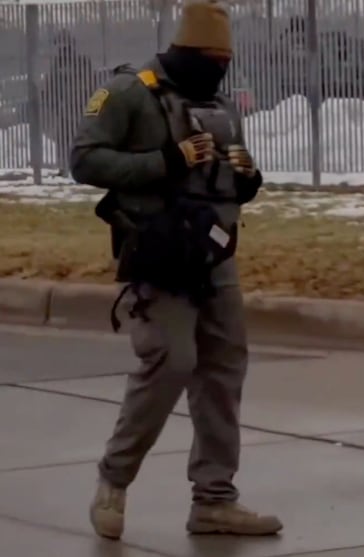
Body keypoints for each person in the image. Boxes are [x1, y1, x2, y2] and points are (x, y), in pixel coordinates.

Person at [69, 0, 282, 540]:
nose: (218, 71)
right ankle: (113, 480)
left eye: (224, 62)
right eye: (210, 60)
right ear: (185, 52)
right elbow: (85, 159)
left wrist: (247, 179)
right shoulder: (128, 92)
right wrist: (166, 160)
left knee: (224, 366)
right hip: (158, 252)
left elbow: (228, 174)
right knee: (170, 360)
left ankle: (215, 498)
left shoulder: (218, 103)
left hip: (214, 253)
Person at [41, 29, 96, 177]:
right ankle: (66, 167)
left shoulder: (79, 62)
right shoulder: (61, 64)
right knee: (68, 140)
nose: (61, 48)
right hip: (71, 109)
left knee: (72, 140)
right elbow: (51, 87)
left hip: (75, 108)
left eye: (62, 45)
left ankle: (70, 167)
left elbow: (88, 83)